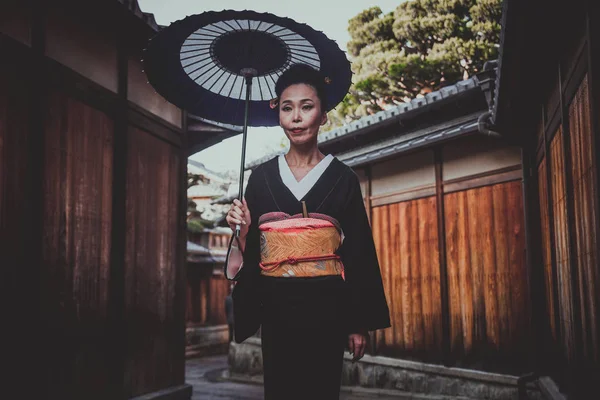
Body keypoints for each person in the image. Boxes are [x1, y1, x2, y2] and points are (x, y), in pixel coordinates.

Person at [224, 64, 390, 400]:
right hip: (276, 306)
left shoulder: (343, 179)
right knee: (281, 391)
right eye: (287, 108)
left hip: (326, 307)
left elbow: (357, 252)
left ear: (323, 116)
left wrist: (357, 322)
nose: (296, 117)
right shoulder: (261, 178)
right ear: (279, 117)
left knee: (321, 390)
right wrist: (240, 230)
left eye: (306, 106)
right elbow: (254, 253)